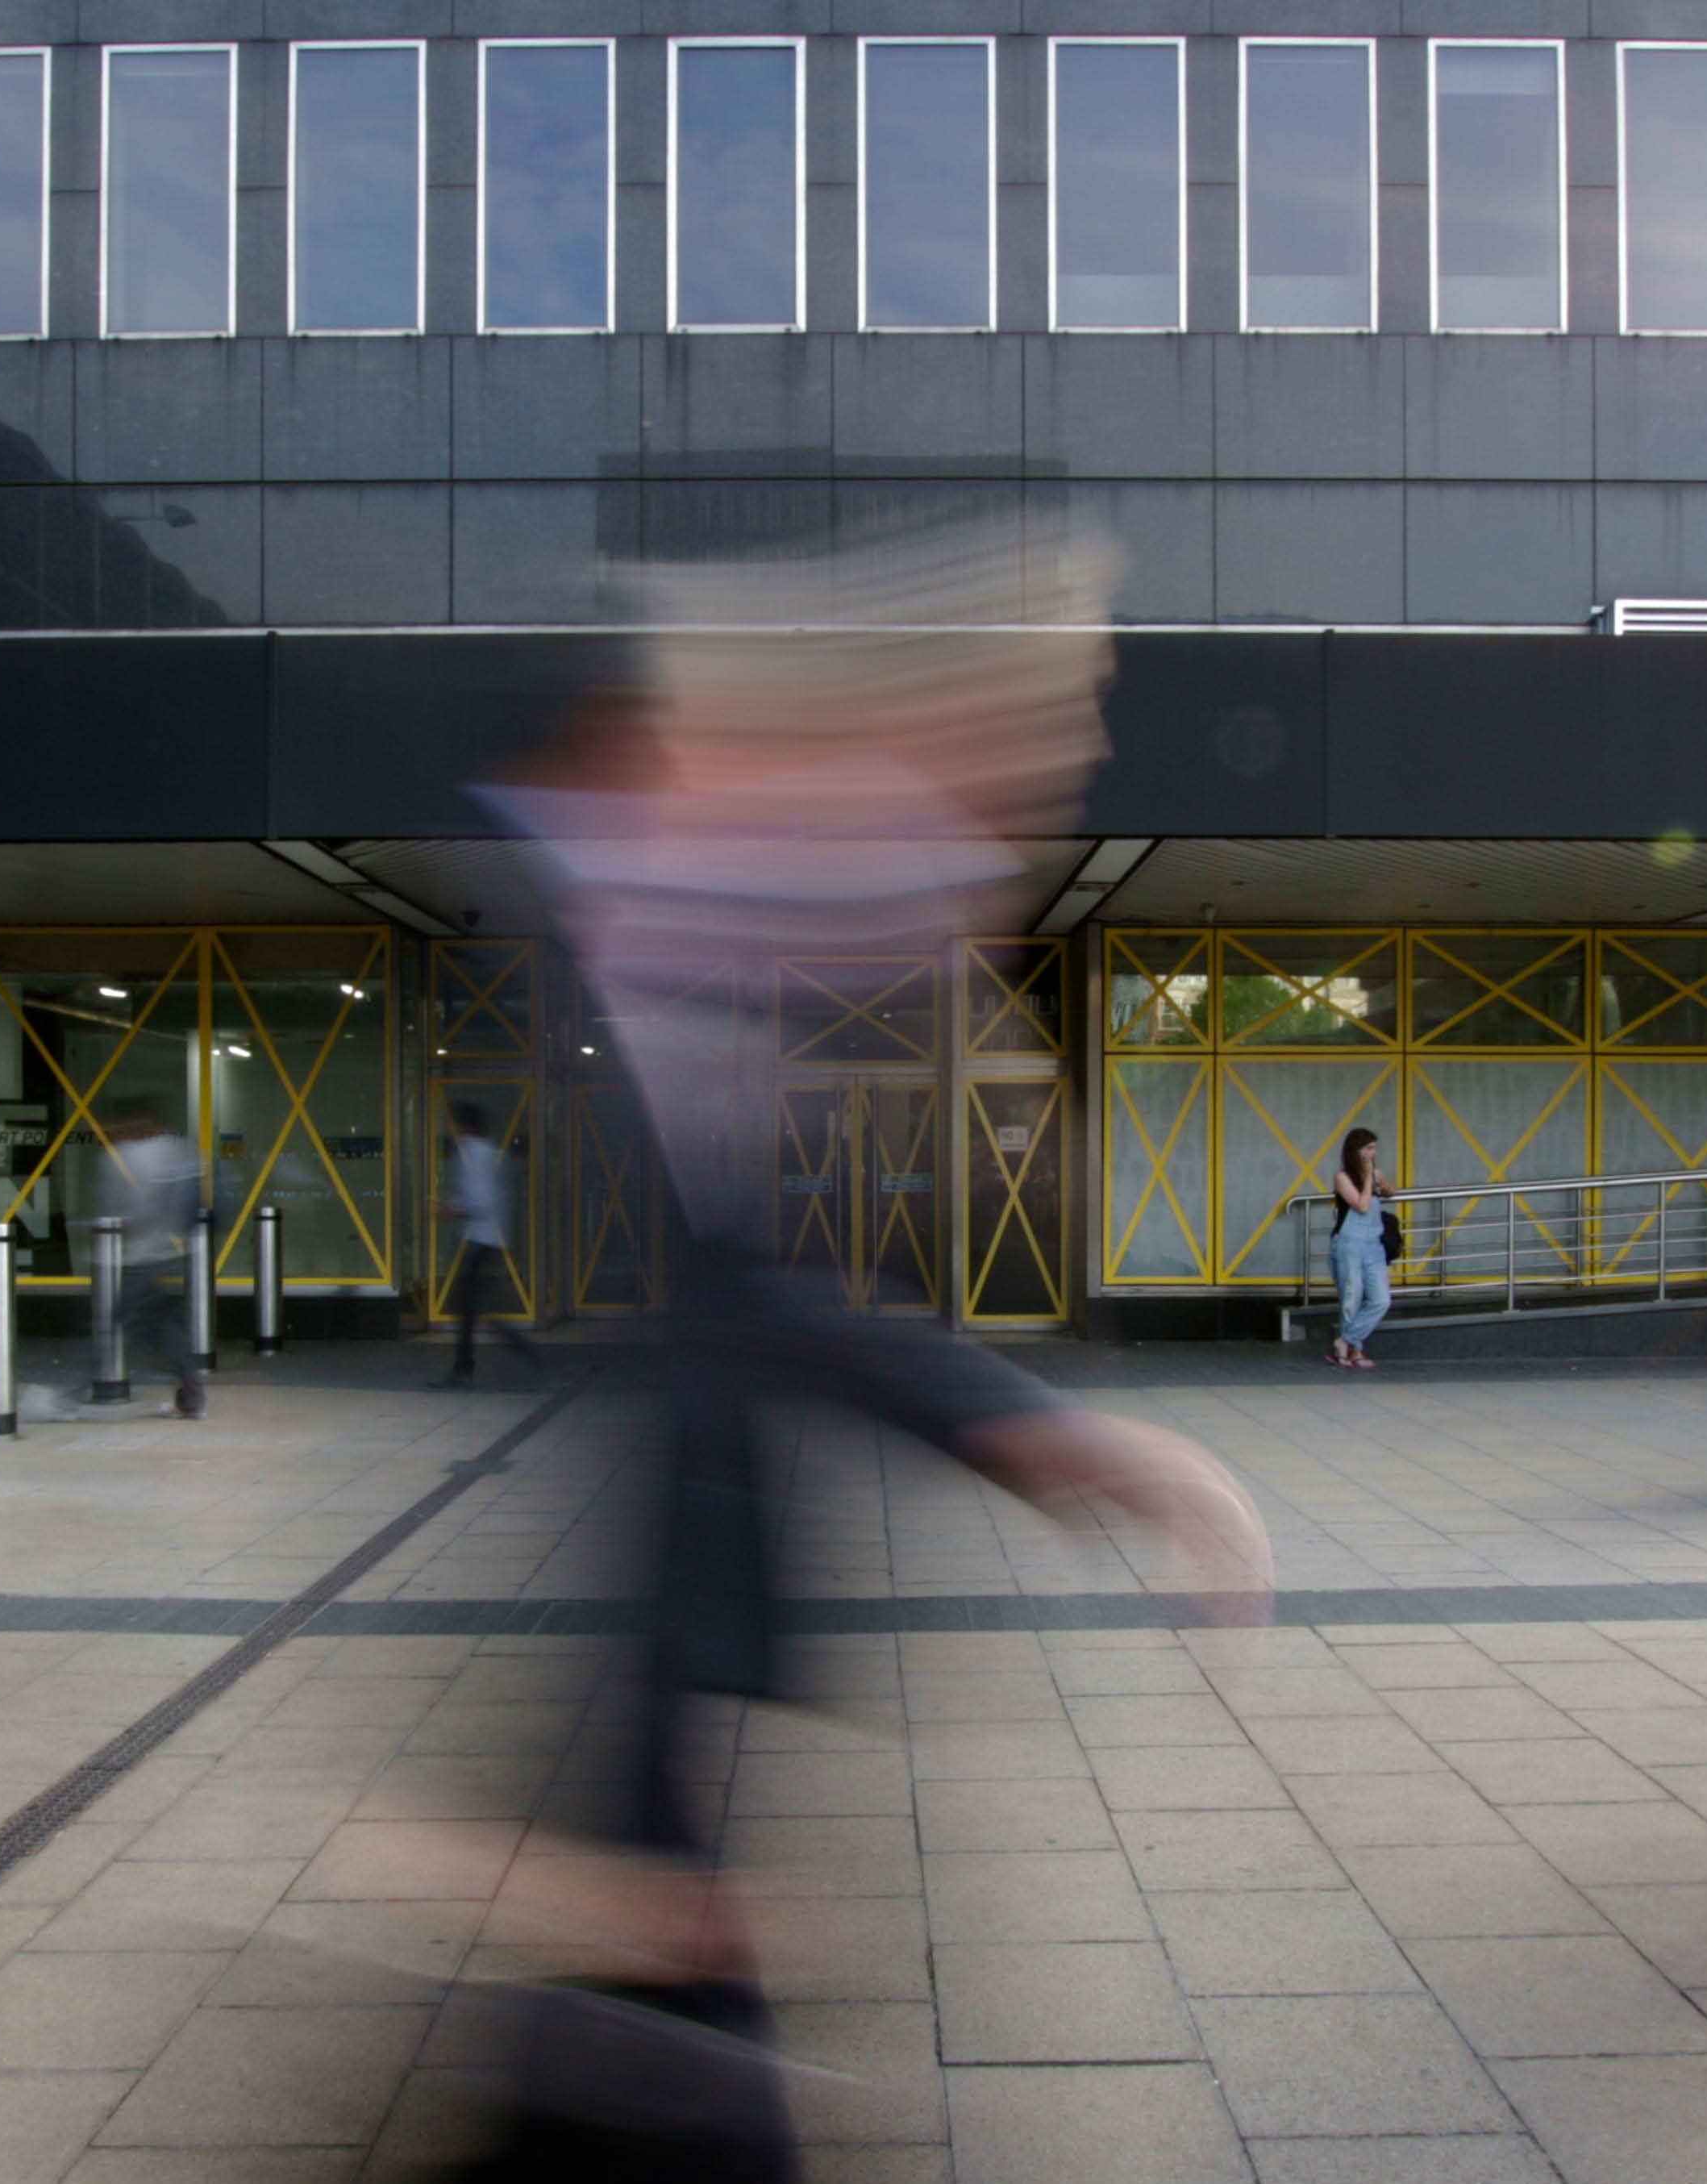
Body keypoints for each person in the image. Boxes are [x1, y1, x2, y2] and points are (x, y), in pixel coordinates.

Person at [443, 519, 1281, 2176]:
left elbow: (741, 1296)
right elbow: (695, 1346)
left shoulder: (685, 963)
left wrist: (1047, 1434)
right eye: (1018, 751)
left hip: (644, 1791)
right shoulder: (557, 909)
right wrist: (577, 1851)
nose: (1030, 816)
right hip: (605, 1796)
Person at [104, 1095, 205, 1420]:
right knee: (167, 1324)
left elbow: (130, 1212)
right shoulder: (176, 1149)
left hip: (142, 1258)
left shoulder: (125, 1158)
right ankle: (190, 1392)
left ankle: (95, 1381)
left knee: (123, 1319)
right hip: (176, 1253)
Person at [435, 1102, 539, 1389]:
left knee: (468, 1306)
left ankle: (467, 1369)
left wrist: (450, 1211)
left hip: (481, 1240)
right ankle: (479, 1363)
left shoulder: (471, 1155)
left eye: (453, 1124)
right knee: (476, 1306)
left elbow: (481, 1201)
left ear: (463, 1126)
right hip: (489, 1240)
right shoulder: (492, 1154)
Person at [1327, 1125, 1393, 1369]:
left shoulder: (1376, 1174)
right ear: (1356, 1151)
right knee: (1351, 1298)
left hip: (1373, 1245)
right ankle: (1355, 1352)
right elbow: (1361, 1205)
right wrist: (1368, 1178)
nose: (1373, 1154)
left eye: (1375, 1149)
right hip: (1349, 1244)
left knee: (1381, 1300)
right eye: (1369, 1149)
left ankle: (1345, 1341)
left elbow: (1391, 1191)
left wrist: (1382, 1183)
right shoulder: (1342, 1177)